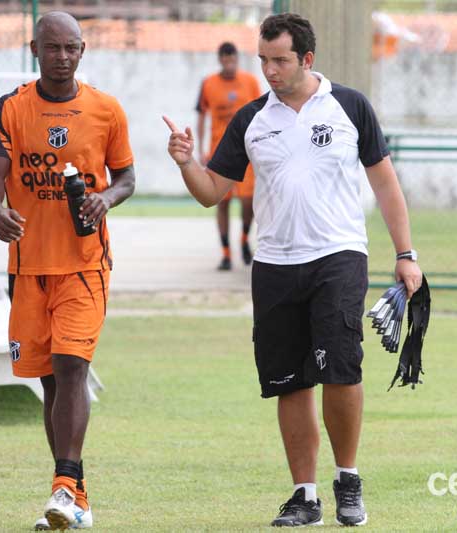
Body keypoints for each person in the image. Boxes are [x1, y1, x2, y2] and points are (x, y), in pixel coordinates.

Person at [164, 12, 422, 528]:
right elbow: (212, 191)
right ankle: (304, 496)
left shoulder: (350, 106)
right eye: (263, 60)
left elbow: (385, 184)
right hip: (276, 264)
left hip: (339, 256)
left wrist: (405, 253)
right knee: (289, 382)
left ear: (307, 58)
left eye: (280, 60)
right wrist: (186, 162)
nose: (270, 71)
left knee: (341, 370)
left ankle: (347, 479)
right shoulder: (251, 118)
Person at [0, 11, 135, 531]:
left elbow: (127, 176)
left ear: (83, 50)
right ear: (34, 49)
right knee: (49, 382)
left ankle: (63, 488)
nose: (62, 57)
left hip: (84, 265)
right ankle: (76, 494)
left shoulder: (106, 110)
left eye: (71, 48)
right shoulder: (12, 108)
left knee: (73, 367)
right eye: (53, 48)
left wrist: (105, 199)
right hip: (27, 268)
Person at [196, 42, 262, 270]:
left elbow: (261, 113)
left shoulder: (250, 82)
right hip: (219, 151)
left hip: (247, 151)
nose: (229, 63)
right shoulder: (209, 84)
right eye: (225, 60)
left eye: (232, 59)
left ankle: (244, 239)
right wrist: (202, 148)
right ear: (220, 60)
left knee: (248, 201)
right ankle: (225, 253)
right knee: (220, 202)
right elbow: (202, 115)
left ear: (236, 59)